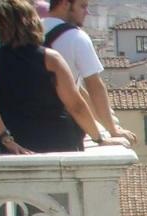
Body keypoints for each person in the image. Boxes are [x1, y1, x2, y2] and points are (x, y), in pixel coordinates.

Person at [0, 0, 128, 153]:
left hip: (13, 143)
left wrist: (5, 137)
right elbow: (75, 105)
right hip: (56, 140)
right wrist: (100, 138)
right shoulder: (51, 59)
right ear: (31, 22)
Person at [43, 0, 135, 142]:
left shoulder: (30, 32)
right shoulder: (76, 37)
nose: (87, 12)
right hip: (61, 127)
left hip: (22, 124)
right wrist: (112, 130)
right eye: (82, 6)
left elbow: (78, 89)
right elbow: (94, 86)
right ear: (65, 4)